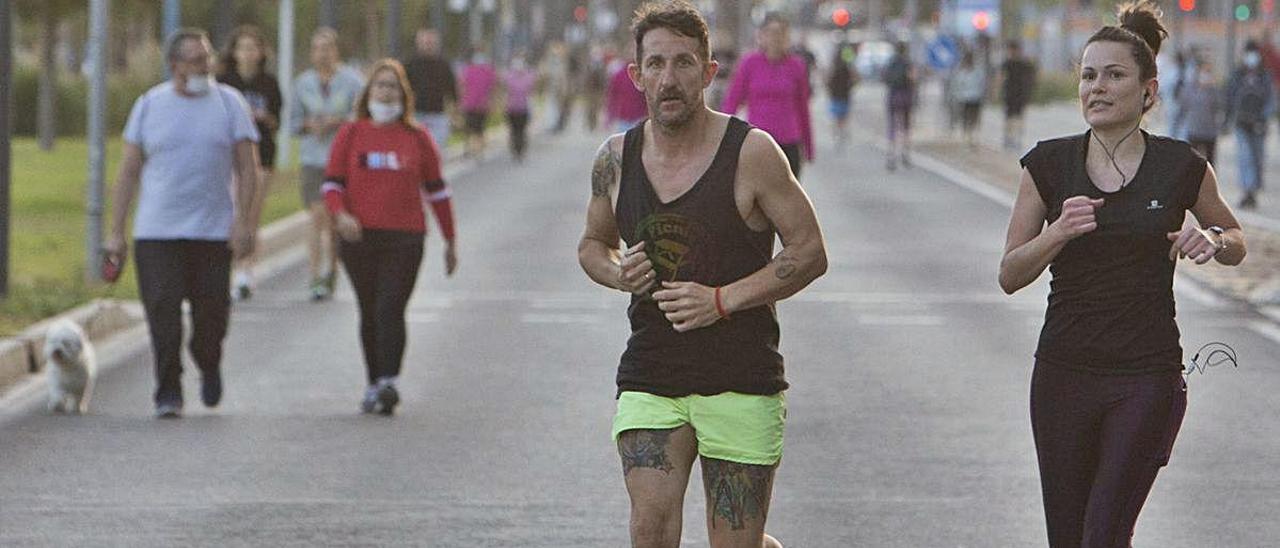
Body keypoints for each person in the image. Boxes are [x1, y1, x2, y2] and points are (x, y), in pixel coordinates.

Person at [577, 2, 827, 547]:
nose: (670, 78)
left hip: (741, 372)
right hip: (652, 371)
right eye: (657, 64)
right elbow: (594, 245)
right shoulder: (614, 159)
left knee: (735, 540)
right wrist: (620, 272)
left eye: (685, 63)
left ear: (710, 72)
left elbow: (809, 251)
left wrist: (722, 300)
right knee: (651, 528)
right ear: (636, 73)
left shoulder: (752, 154)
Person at [998, 3, 1247, 546]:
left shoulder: (1181, 166)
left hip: (1146, 376)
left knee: (1105, 533)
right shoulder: (1046, 164)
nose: (1098, 87)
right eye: (1089, 75)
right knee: (1068, 537)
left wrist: (1213, 239)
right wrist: (1056, 232)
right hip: (1063, 375)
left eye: (1114, 75)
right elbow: (1010, 274)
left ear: (1149, 91)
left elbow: (1236, 241)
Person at [105, 28, 261, 418]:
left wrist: (245, 223)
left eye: (207, 58)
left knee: (212, 317)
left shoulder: (229, 103)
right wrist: (115, 232)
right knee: (163, 314)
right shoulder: (149, 105)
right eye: (195, 59)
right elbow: (128, 171)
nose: (204, 66)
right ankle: (168, 389)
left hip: (211, 231)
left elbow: (247, 167)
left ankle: (208, 361)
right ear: (175, 65)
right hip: (157, 232)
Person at [321, 59, 458, 415]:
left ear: (403, 95)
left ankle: (389, 380)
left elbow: (438, 191)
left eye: (393, 87)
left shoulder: (417, 137)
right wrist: (340, 214)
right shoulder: (351, 133)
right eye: (380, 85)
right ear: (369, 93)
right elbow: (332, 183)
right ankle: (373, 382)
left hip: (405, 237)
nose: (386, 92)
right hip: (359, 238)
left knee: (390, 307)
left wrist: (450, 240)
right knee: (369, 310)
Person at [289, 28, 365, 300]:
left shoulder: (352, 81)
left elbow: (361, 120)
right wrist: (310, 125)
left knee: (334, 222)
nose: (322, 54)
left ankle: (331, 271)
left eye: (327, 48)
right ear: (311, 53)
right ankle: (314, 275)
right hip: (312, 158)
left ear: (336, 51)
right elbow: (293, 123)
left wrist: (336, 122)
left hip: (340, 159)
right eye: (317, 48)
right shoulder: (302, 83)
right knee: (317, 216)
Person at [217, 25, 282, 302]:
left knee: (251, 212)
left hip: (261, 154)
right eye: (242, 47)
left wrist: (261, 116)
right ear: (234, 52)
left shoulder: (269, 84)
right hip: (229, 155)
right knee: (228, 213)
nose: (248, 53)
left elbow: (277, 121)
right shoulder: (223, 82)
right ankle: (227, 268)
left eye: (253, 48)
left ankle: (246, 269)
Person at [720, 12, 814, 180]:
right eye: (771, 33)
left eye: (781, 33)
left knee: (787, 201)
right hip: (757, 143)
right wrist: (722, 140)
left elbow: (803, 108)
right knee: (757, 200)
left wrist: (808, 146)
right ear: (761, 36)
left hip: (788, 142)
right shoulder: (749, 63)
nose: (776, 38)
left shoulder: (796, 66)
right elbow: (732, 102)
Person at [1224, 39, 1275, 210]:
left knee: (1258, 158)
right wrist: (1227, 119)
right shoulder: (1238, 74)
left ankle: (1253, 190)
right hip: (1241, 123)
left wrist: (1263, 117)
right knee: (1245, 157)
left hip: (1259, 124)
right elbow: (1230, 96)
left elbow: (1271, 99)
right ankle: (1247, 191)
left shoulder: (1264, 76)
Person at [404, 28, 459, 148]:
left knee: (436, 149)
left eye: (431, 42)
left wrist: (455, 113)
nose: (428, 45)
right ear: (418, 43)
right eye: (425, 42)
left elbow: (452, 89)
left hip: (438, 114)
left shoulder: (444, 65)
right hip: (416, 114)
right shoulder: (409, 64)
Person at [1172, 55, 1222, 165]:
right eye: (1204, 71)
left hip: (1210, 132)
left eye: (1208, 71)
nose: (1206, 74)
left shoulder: (1214, 90)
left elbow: (1219, 106)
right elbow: (1182, 107)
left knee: (1210, 163)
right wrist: (1176, 128)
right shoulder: (1189, 88)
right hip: (1194, 131)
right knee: (1194, 163)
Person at [881, 41, 916, 170]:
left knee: (892, 126)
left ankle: (891, 154)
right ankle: (905, 153)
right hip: (905, 96)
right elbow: (912, 78)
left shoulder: (891, 62)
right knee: (905, 126)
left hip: (892, 95)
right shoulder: (908, 63)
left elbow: (884, 78)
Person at [460, 46, 498, 158]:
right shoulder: (468, 69)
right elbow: (462, 86)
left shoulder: (489, 71)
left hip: (483, 105)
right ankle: (468, 148)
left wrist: (493, 102)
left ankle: (479, 150)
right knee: (468, 128)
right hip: (469, 103)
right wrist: (460, 101)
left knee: (480, 128)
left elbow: (493, 88)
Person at [1001, 39, 1038, 151]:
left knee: (1019, 118)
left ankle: (1016, 139)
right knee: (1009, 118)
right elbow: (1001, 77)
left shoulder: (1025, 64)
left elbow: (1032, 77)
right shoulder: (1007, 63)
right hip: (1009, 94)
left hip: (1021, 95)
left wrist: (1030, 91)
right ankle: (1008, 138)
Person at [605, 43, 649, 132]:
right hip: (624, 118)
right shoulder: (619, 74)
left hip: (640, 117)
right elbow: (613, 96)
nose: (631, 56)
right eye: (629, 53)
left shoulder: (643, 74)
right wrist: (610, 116)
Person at [502, 52, 538, 162]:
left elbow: (533, 90)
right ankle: (515, 149)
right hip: (512, 108)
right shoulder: (509, 76)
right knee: (514, 130)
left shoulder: (528, 76)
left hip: (523, 108)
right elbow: (504, 90)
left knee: (521, 131)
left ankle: (520, 149)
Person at [825, 42, 857, 149]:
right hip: (844, 94)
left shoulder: (834, 64)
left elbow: (828, 80)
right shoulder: (847, 64)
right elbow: (855, 77)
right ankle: (841, 132)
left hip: (836, 94)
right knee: (843, 116)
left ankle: (838, 133)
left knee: (837, 117)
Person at [952, 49, 987, 148]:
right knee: (966, 119)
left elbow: (982, 85)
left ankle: (971, 138)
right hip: (965, 99)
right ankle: (967, 139)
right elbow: (957, 86)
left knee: (973, 119)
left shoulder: (977, 71)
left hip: (975, 98)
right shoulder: (962, 72)